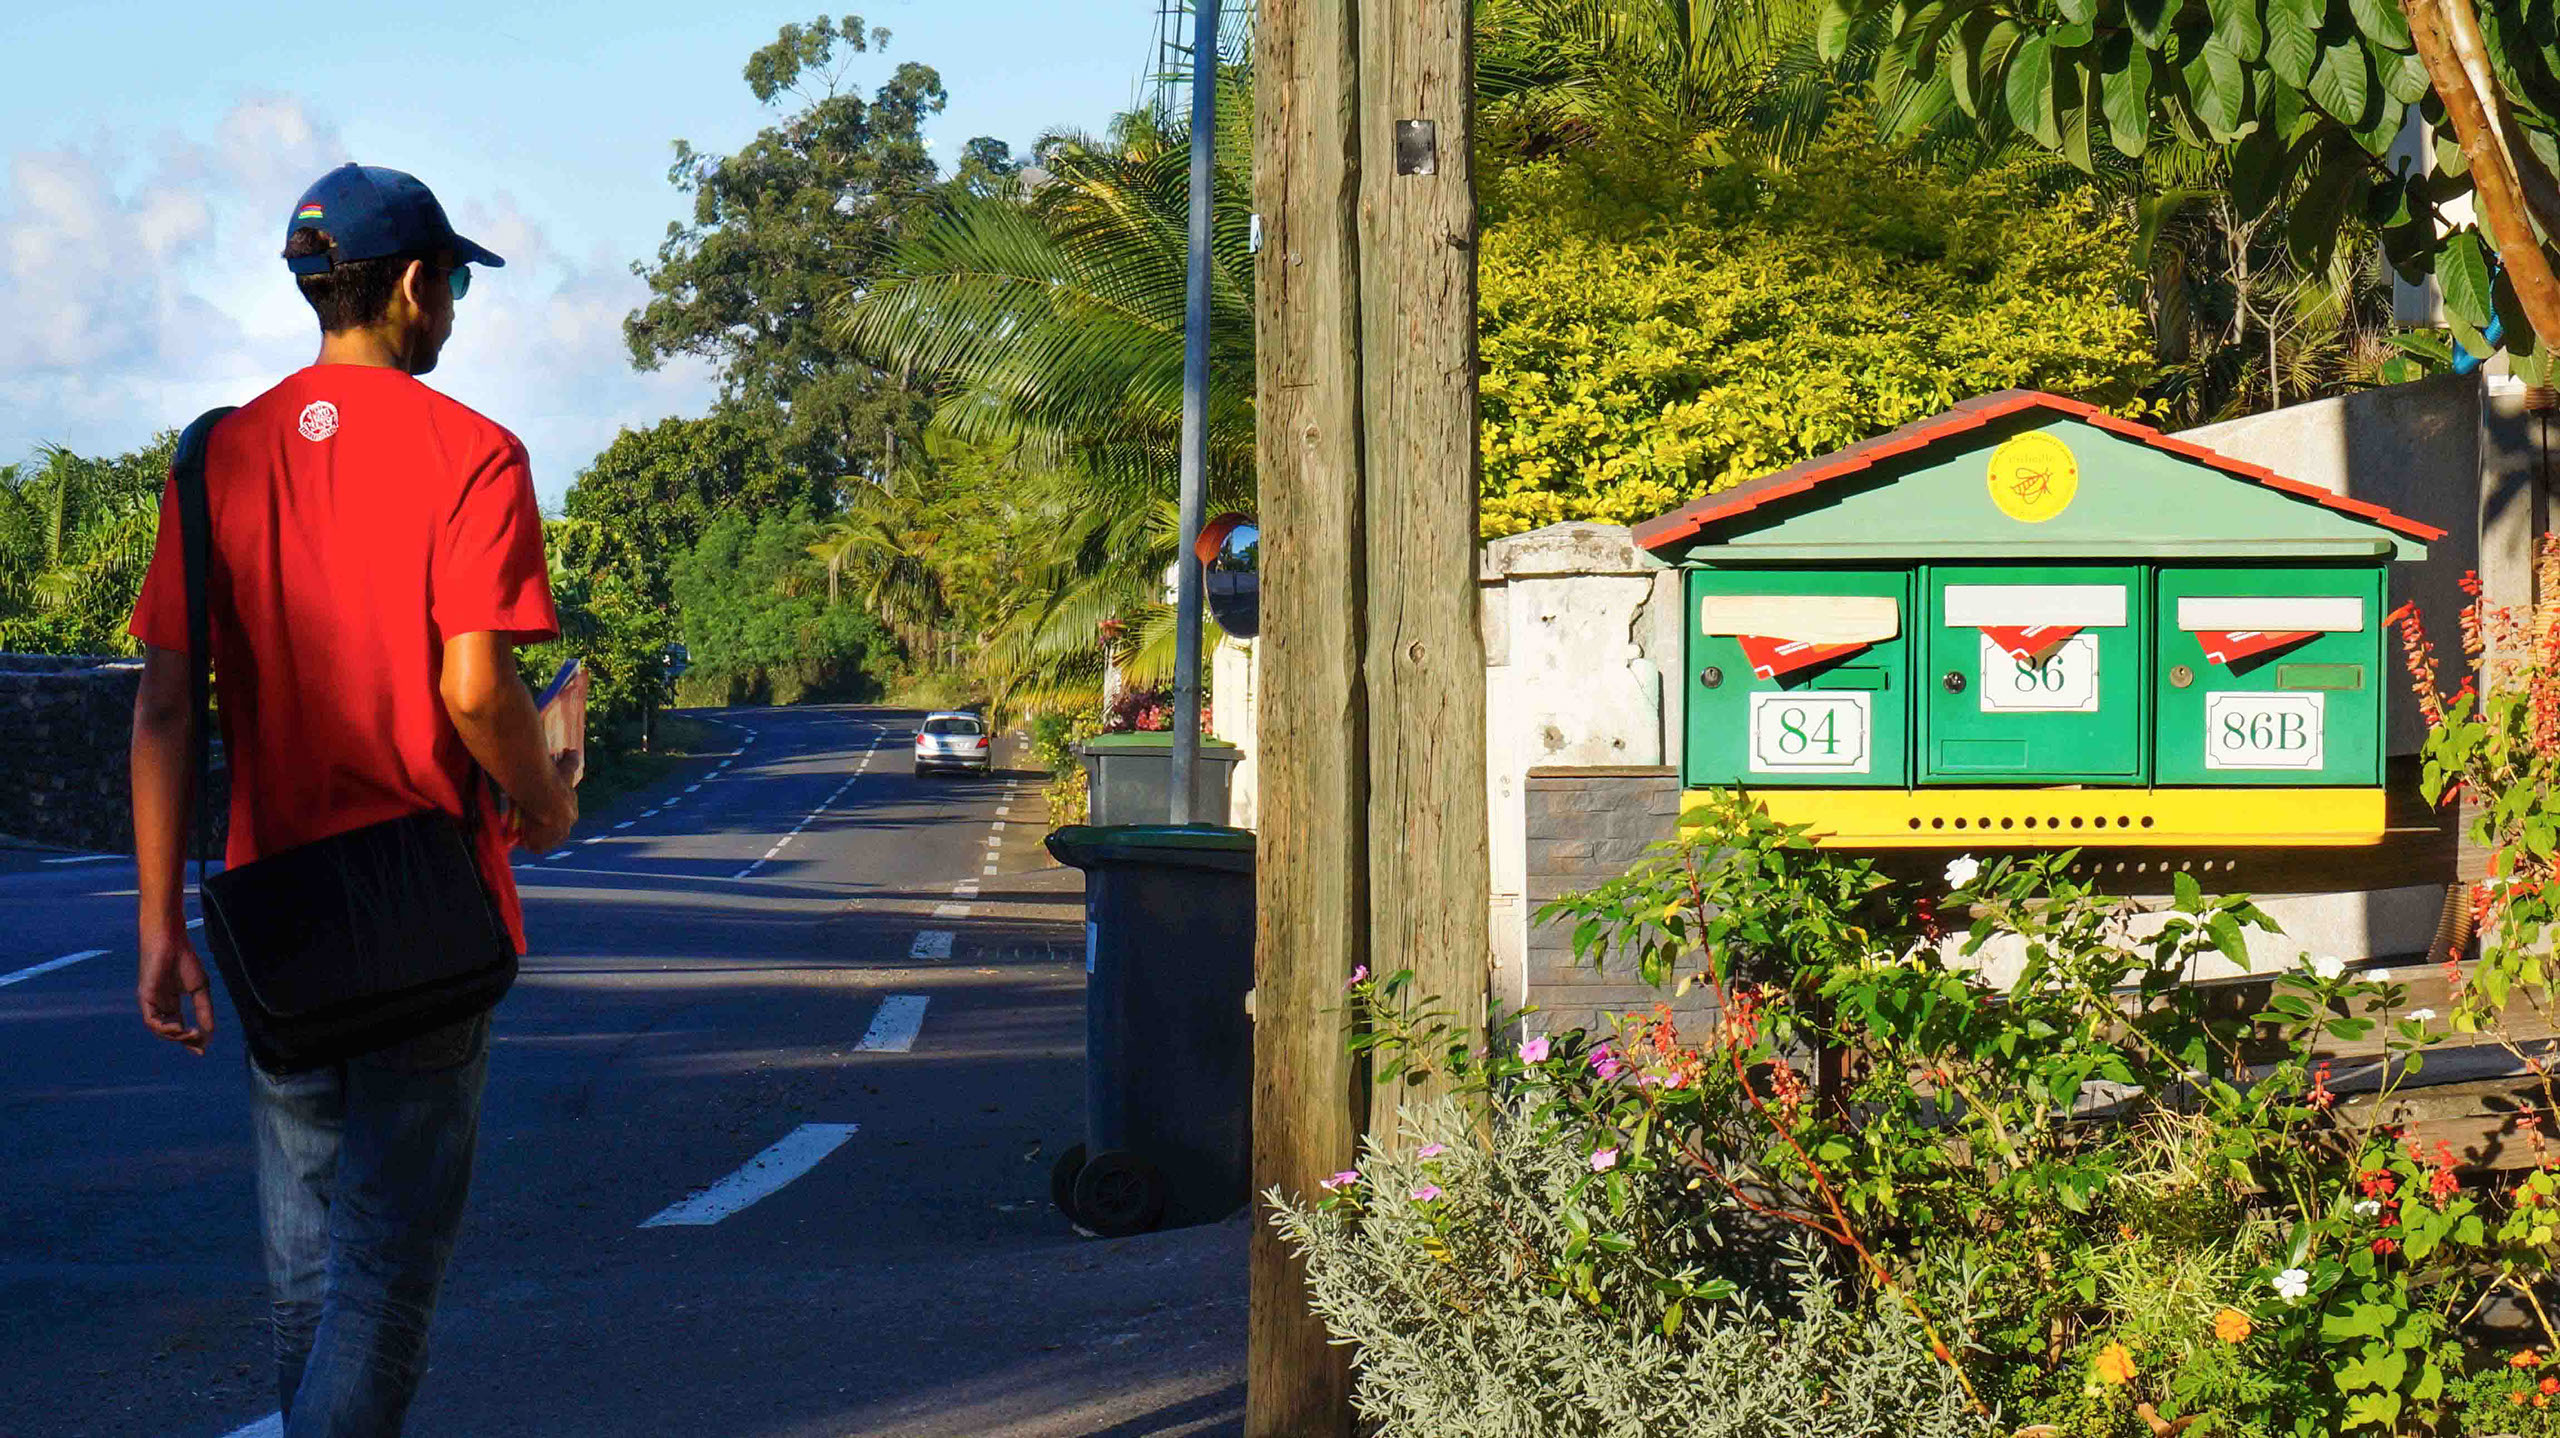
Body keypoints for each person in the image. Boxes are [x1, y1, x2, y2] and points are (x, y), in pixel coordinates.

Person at [125, 162, 579, 1436]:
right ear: (419, 286)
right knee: (383, 1275)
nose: (454, 315)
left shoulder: (215, 457)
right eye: (452, 289)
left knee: (307, 1283)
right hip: (425, 904)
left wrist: (161, 923)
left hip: (275, 922)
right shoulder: (475, 453)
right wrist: (541, 806)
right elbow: (479, 691)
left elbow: (164, 708)